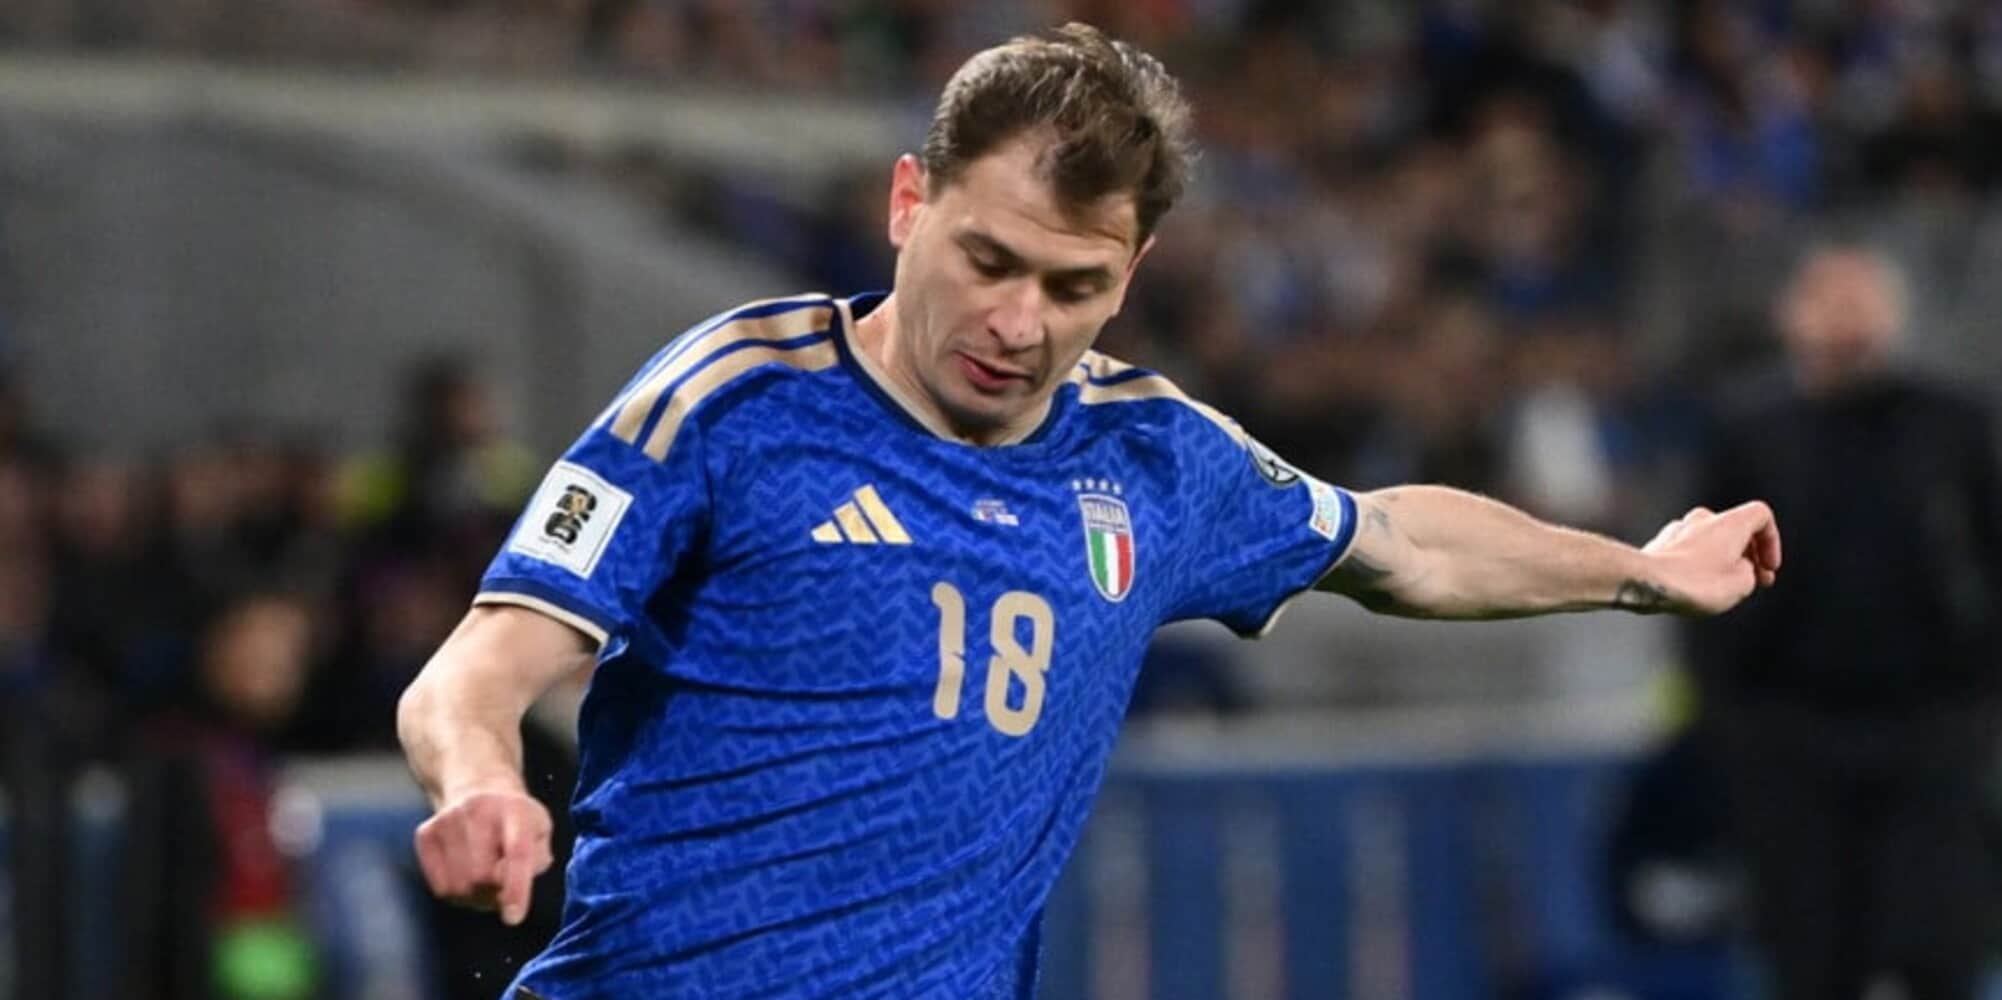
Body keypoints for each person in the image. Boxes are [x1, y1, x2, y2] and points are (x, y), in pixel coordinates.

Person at [397, 23, 1781, 999]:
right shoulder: (733, 399)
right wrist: (481, 784)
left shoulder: (1152, 460)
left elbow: (1401, 543)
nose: (1018, 322)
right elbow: (476, 668)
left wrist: (1641, 570)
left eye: (1073, 287)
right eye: (987, 259)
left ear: (1133, 269)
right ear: (908, 203)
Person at [1686, 244, 2002, 1000]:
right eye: (1829, 301)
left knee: (1936, 945)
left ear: (1895, 316)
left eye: (1862, 301)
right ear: (1790, 318)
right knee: (1810, 953)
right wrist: (1727, 712)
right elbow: (1703, 573)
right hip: (1791, 731)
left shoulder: (1954, 423)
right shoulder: (1748, 430)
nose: (1847, 321)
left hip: (1931, 726)